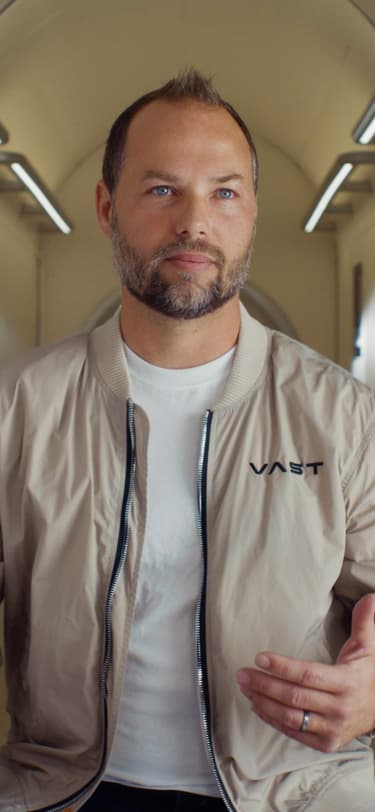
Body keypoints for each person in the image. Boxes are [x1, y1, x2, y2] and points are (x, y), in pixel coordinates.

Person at [0, 68, 375, 812]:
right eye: (162, 189)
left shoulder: (342, 413)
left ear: (253, 212)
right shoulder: (20, 406)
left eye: (224, 192)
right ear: (107, 207)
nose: (194, 222)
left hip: (297, 789)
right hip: (63, 789)